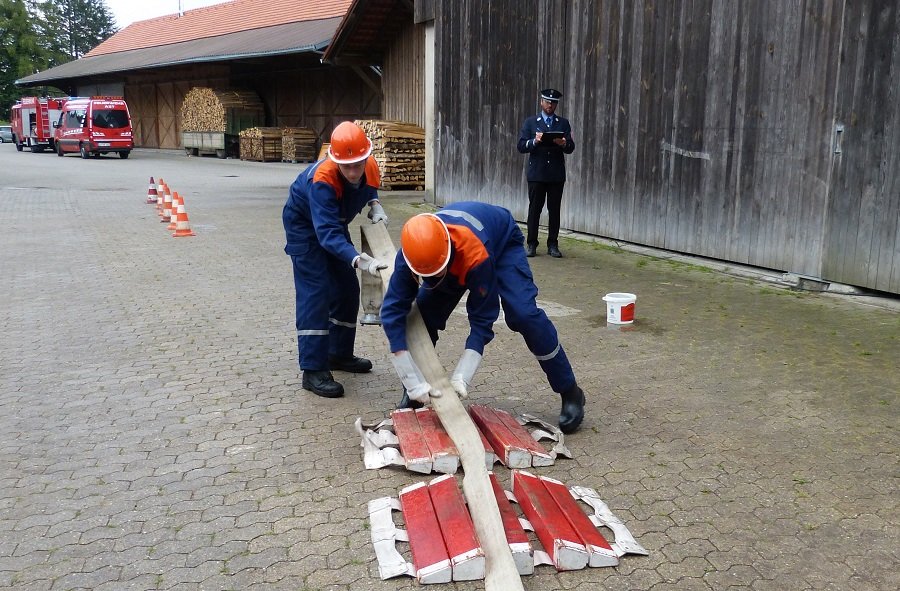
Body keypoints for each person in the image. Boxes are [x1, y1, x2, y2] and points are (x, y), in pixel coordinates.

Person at [380, 202, 587, 434]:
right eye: (427, 275)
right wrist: (411, 381)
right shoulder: (411, 255)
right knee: (423, 317)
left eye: (437, 272)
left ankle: (570, 390)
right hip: (450, 255)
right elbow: (391, 313)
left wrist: (462, 376)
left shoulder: (474, 254)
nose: (434, 278)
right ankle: (419, 395)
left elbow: (482, 318)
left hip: (500, 241)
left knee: (524, 315)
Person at [282, 121, 389, 398]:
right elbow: (327, 235)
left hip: (333, 224)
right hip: (304, 227)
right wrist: (357, 259)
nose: (354, 172)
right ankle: (313, 369)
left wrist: (374, 204)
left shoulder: (369, 167)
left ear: (366, 157)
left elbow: (369, 188)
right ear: (335, 160)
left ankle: (338, 354)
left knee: (346, 289)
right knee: (316, 292)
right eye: (347, 166)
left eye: (358, 164)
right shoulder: (323, 181)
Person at [517, 88, 576, 258]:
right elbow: (521, 146)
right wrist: (534, 141)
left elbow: (571, 148)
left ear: (556, 104)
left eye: (553, 102)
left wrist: (564, 143)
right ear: (541, 102)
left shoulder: (563, 123)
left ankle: (553, 244)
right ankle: (531, 243)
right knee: (534, 209)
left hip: (556, 175)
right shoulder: (530, 122)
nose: (550, 105)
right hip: (537, 174)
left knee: (554, 210)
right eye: (547, 102)